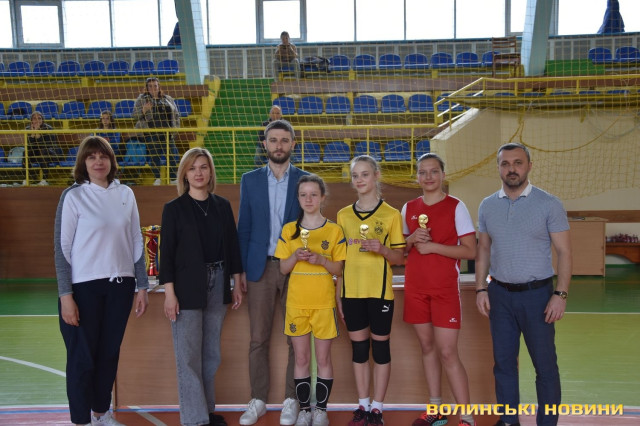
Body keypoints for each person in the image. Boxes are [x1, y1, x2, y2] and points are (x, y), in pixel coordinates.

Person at [54, 135, 149, 426]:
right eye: (92, 156)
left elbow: (136, 240)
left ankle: (100, 413)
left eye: (103, 156)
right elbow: (61, 248)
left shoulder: (126, 194)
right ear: (83, 162)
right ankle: (81, 420)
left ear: (111, 161)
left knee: (109, 354)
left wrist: (142, 285)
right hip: (84, 288)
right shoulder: (73, 196)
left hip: (120, 286)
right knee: (82, 357)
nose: (98, 161)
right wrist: (66, 295)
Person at [475, 143, 572, 426]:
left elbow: (565, 252)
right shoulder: (487, 205)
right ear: (498, 168)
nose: (512, 169)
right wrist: (481, 288)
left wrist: (560, 294)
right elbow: (483, 249)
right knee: (504, 365)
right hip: (500, 295)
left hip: (537, 296)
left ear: (529, 166)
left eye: (518, 163)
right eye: (505, 164)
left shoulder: (549, 203)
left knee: (545, 367)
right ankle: (509, 421)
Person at [159, 147, 244, 426]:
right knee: (188, 356)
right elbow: (166, 255)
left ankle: (206, 412)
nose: (198, 172)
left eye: (203, 167)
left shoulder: (222, 205)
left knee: (210, 355)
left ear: (210, 173)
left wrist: (236, 282)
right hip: (186, 286)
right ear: (184, 174)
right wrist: (169, 294)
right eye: (192, 168)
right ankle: (194, 420)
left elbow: (232, 246)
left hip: (218, 282)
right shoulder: (174, 209)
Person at [237, 119, 309, 426]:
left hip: (296, 268)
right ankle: (258, 399)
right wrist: (240, 270)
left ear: (293, 144)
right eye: (273, 140)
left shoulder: (306, 180)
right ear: (264, 144)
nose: (279, 145)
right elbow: (244, 227)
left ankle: (292, 399)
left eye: (284, 140)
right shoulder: (250, 180)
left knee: (296, 338)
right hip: (260, 267)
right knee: (258, 338)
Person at [401, 153, 477, 426]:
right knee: (427, 347)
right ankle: (435, 410)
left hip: (444, 290)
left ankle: (467, 417)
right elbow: (401, 252)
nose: (428, 176)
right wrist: (411, 239)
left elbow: (471, 251)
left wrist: (433, 247)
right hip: (416, 289)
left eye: (434, 171)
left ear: (443, 175)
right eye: (423, 172)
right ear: (417, 177)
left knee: (447, 352)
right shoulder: (408, 208)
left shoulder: (456, 206)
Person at [336, 155, 406, 426]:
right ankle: (363, 406)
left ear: (376, 176)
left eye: (365, 174)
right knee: (359, 350)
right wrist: (338, 294)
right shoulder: (343, 215)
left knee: (381, 350)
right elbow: (340, 261)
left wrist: (382, 249)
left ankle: (377, 409)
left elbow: (399, 258)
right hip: (351, 293)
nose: (360, 180)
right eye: (355, 175)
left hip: (379, 294)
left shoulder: (391, 214)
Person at [275, 174, 346, 426]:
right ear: (298, 198)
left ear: (322, 197)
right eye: (303, 195)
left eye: (313, 194)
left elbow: (339, 269)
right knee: (302, 359)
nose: (308, 199)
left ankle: (321, 411)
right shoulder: (289, 230)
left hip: (323, 304)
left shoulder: (334, 230)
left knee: (324, 359)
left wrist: (322, 260)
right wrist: (295, 256)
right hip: (297, 304)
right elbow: (283, 268)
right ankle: (305, 410)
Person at [133, 77, 180, 185]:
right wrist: (143, 110)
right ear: (146, 88)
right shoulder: (141, 99)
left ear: (159, 87)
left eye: (155, 86)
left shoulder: (167, 98)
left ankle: (173, 178)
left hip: (167, 132)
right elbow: (134, 116)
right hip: (151, 132)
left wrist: (176, 128)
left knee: (172, 155)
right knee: (155, 156)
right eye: (150, 86)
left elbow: (176, 114)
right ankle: (157, 178)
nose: (153, 88)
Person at [26, 111, 60, 186]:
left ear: (42, 120)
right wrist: (32, 133)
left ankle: (44, 180)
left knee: (44, 151)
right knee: (25, 153)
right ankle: (31, 179)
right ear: (31, 120)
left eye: (39, 118)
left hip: (50, 153)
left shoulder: (48, 128)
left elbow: (44, 145)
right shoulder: (28, 129)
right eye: (34, 118)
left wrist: (37, 132)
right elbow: (28, 146)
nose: (37, 120)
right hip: (36, 153)